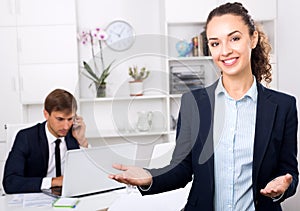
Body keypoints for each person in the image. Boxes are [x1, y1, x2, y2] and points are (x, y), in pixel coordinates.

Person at [109, 2, 298, 211]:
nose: (225, 51)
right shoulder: (193, 103)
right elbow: (182, 169)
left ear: (253, 39)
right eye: (215, 43)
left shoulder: (283, 106)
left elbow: (288, 170)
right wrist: (150, 177)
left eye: (234, 38)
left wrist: (282, 187)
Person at [2, 88, 89, 194]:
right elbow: (10, 183)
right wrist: (53, 182)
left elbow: (88, 176)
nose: (66, 126)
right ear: (46, 114)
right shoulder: (26, 137)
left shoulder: (74, 135)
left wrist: (82, 141)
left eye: (70, 119)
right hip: (36, 198)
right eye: (60, 119)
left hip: (70, 197)